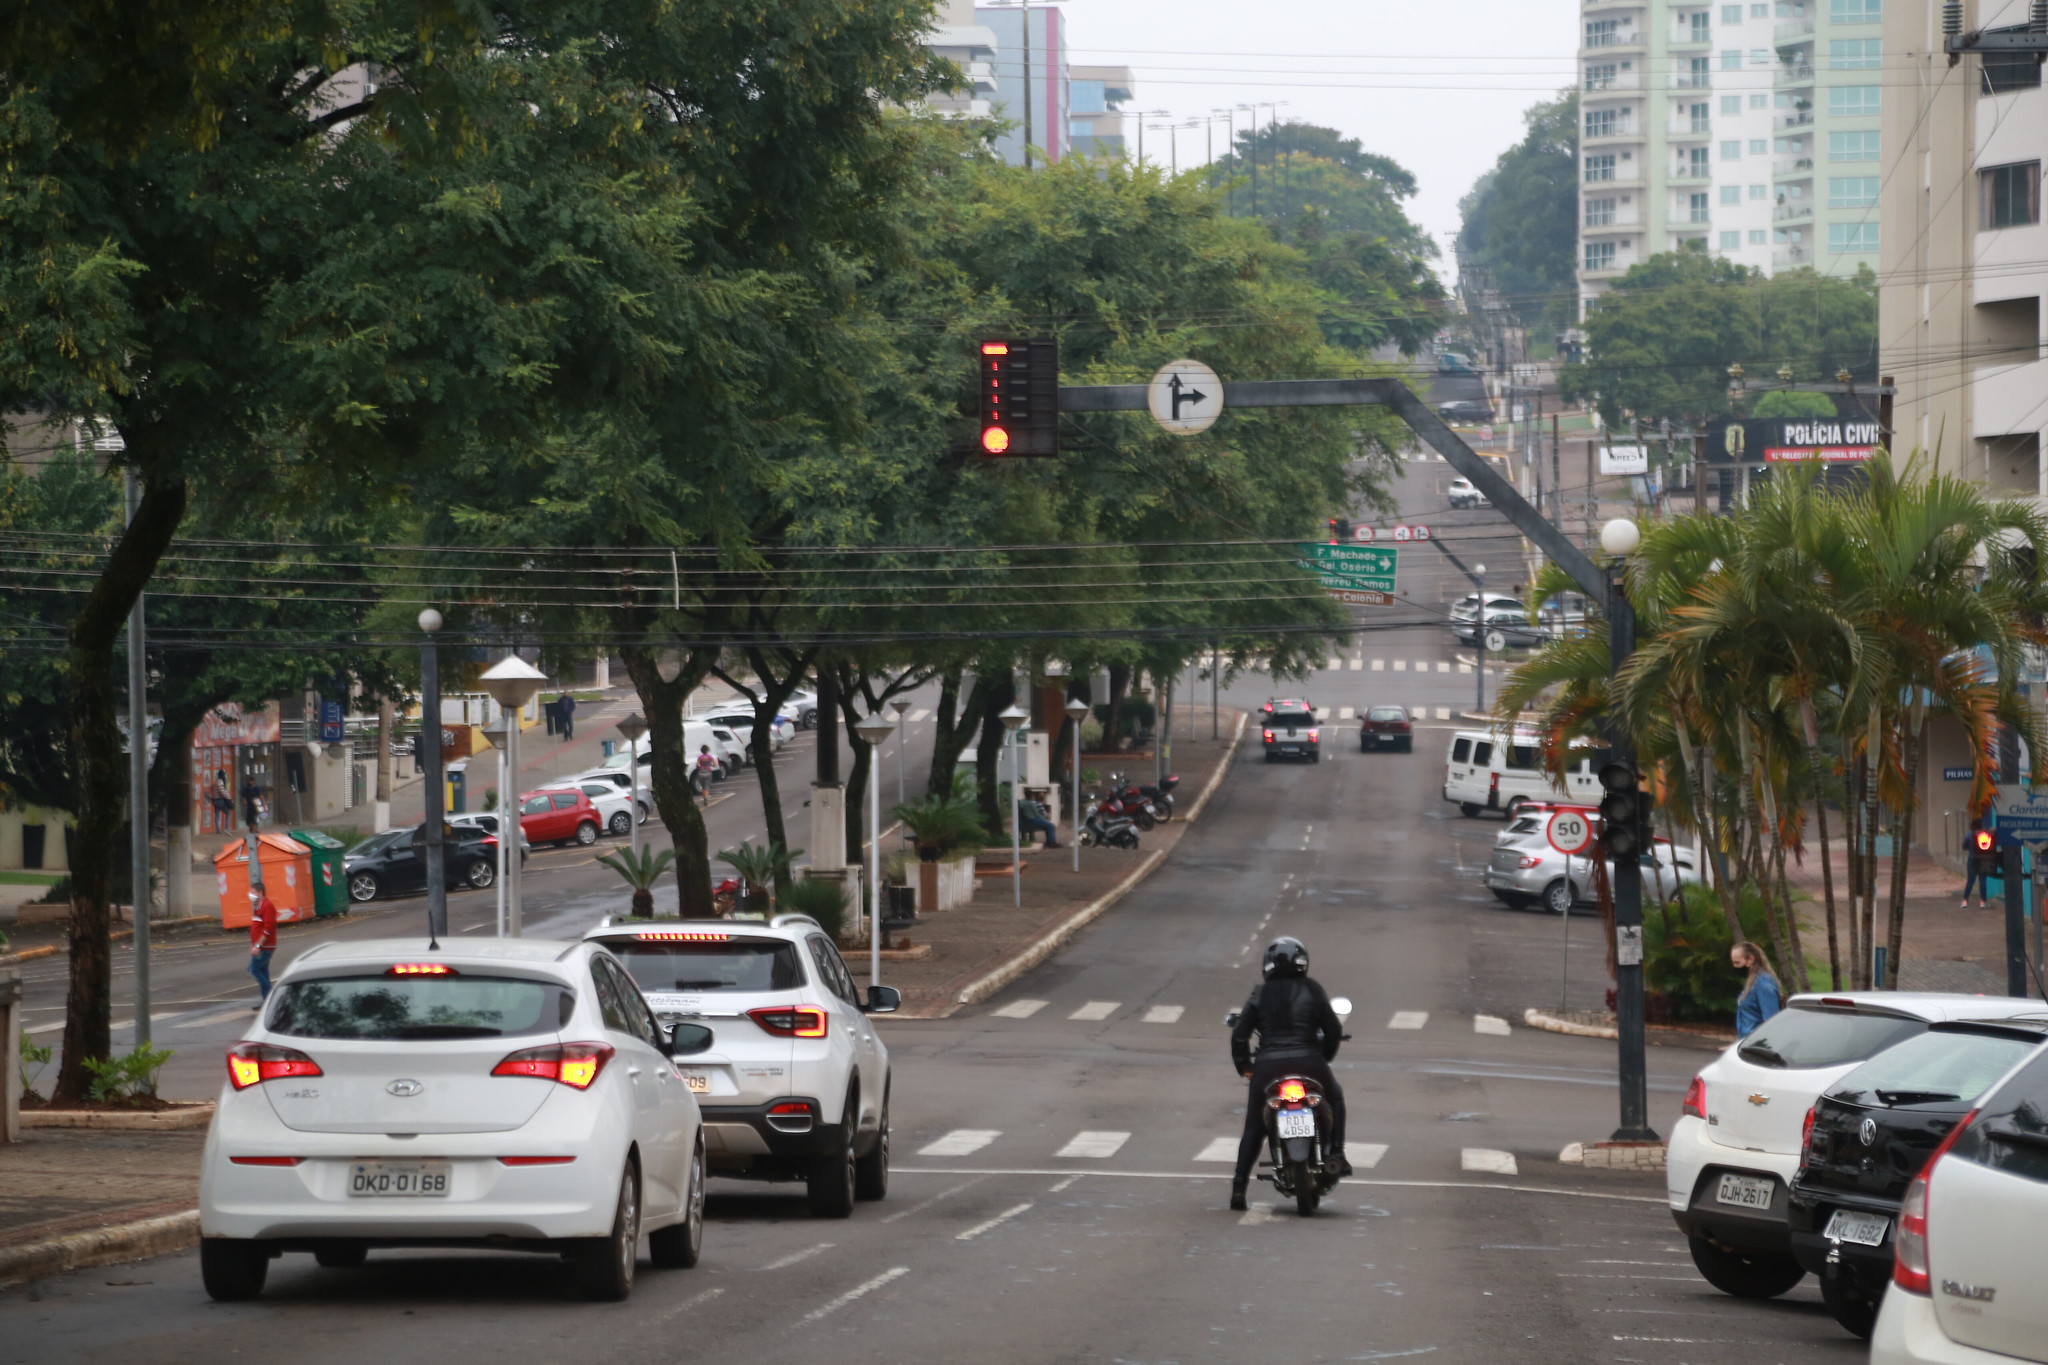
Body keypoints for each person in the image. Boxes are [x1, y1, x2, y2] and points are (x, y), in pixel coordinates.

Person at [1228, 936, 1350, 1211]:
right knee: (1337, 1099)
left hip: (1268, 1067)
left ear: (1267, 966)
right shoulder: (1313, 990)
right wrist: (1324, 1058)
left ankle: (1238, 1189)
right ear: (1303, 963)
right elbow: (1333, 1030)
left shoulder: (1259, 994)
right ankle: (1337, 1153)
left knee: (1253, 1126)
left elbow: (1239, 1036)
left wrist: (1245, 1067)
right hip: (1310, 1063)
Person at [1731, 940, 1782, 1037]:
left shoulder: (1763, 982)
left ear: (1750, 959)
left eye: (1737, 963)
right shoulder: (1752, 982)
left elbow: (1771, 1020)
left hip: (1756, 1043)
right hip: (1746, 1042)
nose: (1734, 966)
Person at [249, 887, 278, 1009]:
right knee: (263, 972)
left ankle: (271, 998)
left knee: (254, 969)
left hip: (265, 946)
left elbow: (268, 928)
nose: (251, 895)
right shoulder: (258, 906)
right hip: (261, 946)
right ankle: (268, 1001)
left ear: (260, 892)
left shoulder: (267, 905)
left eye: (253, 892)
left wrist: (258, 945)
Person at [1960, 823, 1995, 908]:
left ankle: (1965, 901)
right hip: (1983, 859)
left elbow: (1964, 846)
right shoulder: (1986, 834)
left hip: (1972, 859)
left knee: (1970, 881)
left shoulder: (1969, 834)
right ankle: (1983, 902)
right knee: (1982, 880)